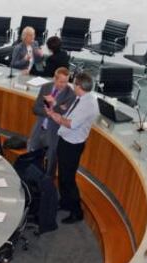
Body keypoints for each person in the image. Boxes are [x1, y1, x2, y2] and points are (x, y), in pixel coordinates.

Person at [47, 72, 99, 224]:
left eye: (73, 83)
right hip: (66, 140)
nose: (71, 85)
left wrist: (54, 116)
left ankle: (77, 212)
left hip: (72, 145)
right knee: (62, 176)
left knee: (68, 179)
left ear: (79, 86)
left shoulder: (87, 104)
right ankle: (65, 202)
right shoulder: (83, 97)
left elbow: (71, 123)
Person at [28, 67, 75, 176]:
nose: (64, 85)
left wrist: (54, 104)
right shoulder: (45, 87)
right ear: (55, 78)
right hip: (39, 128)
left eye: (66, 82)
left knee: (51, 162)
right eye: (61, 81)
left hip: (54, 133)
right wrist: (47, 113)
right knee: (33, 154)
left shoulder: (70, 94)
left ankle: (48, 184)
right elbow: (35, 109)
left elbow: (64, 114)